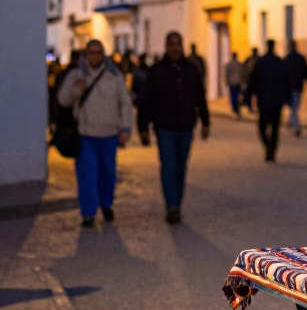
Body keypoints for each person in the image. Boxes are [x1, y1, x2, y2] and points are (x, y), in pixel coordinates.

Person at [57, 39, 133, 227]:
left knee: (108, 173)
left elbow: (125, 103)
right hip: (86, 135)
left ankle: (106, 204)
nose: (95, 56)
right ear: (86, 54)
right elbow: (63, 99)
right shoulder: (76, 75)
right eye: (91, 52)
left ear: (103, 54)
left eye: (98, 52)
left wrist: (125, 127)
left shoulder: (114, 76)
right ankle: (88, 212)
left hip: (109, 135)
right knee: (87, 175)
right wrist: (76, 90)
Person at [145, 32, 210, 223]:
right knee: (169, 166)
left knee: (181, 168)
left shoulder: (191, 70)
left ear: (183, 46)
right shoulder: (156, 71)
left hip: (186, 127)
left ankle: (177, 203)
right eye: (171, 44)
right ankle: (171, 205)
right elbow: (147, 100)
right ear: (166, 46)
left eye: (178, 44)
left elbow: (200, 97)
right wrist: (144, 125)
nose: (175, 48)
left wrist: (205, 121)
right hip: (164, 127)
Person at [246, 39, 288, 161]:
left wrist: (249, 99)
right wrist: (287, 97)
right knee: (274, 128)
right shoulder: (279, 62)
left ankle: (269, 147)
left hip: (264, 101)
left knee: (262, 127)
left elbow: (252, 82)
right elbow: (286, 81)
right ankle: (271, 148)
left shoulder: (261, 63)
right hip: (275, 101)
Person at [284, 40, 307, 136]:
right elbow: (306, 71)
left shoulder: (287, 59)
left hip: (290, 86)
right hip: (299, 86)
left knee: (294, 107)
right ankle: (292, 123)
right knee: (295, 106)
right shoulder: (301, 58)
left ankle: (295, 126)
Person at [131, 54, 151, 145]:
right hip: (147, 99)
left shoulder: (137, 72)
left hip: (141, 98)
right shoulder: (149, 71)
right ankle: (145, 135)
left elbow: (134, 86)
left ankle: (144, 135)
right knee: (145, 119)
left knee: (141, 119)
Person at [225, 51, 244, 117]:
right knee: (236, 96)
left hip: (233, 82)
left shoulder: (230, 64)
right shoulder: (239, 64)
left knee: (234, 96)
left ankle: (235, 108)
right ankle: (236, 108)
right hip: (237, 82)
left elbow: (227, 74)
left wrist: (227, 81)